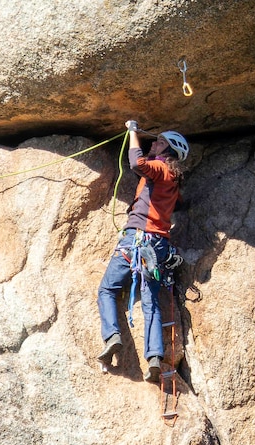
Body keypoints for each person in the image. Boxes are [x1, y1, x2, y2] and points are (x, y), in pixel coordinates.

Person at [97, 120, 189, 381]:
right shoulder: (171, 178)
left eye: (159, 141)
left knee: (107, 289)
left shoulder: (159, 168)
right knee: (150, 301)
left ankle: (112, 335)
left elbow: (137, 164)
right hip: (158, 245)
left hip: (136, 239)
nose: (154, 143)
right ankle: (154, 358)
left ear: (167, 150)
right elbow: (175, 203)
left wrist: (133, 133)